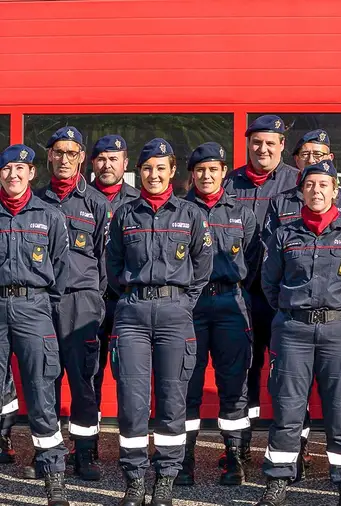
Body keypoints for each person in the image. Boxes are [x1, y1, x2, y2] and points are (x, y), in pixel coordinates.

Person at [257, 160, 341, 506]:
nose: (317, 191)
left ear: (335, 191)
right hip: (293, 329)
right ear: (301, 192)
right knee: (288, 408)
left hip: (339, 331)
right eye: (310, 185)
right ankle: (278, 481)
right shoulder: (284, 234)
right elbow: (269, 282)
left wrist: (340, 314)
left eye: (324, 185)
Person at [106, 138, 213, 506]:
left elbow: (202, 269)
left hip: (174, 315)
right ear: (140, 172)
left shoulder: (191, 215)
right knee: (132, 402)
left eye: (160, 168)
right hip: (133, 314)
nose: (153, 175)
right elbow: (113, 265)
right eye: (147, 168)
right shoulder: (124, 214)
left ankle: (165, 478)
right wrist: (134, 297)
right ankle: (135, 479)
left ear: (172, 173)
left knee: (172, 400)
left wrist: (181, 303)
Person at [177, 143, 259, 487]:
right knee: (186, 385)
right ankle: (184, 460)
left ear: (224, 171)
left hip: (230, 303)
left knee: (234, 386)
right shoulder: (179, 211)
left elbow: (253, 265)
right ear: (191, 174)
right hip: (191, 306)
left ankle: (234, 459)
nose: (206, 175)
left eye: (213, 169)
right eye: (200, 170)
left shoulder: (243, 213)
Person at [34, 127, 111, 482]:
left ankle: (85, 454)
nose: (64, 159)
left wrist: (94, 300)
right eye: (58, 152)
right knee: (44, 379)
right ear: (49, 156)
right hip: (41, 301)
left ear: (81, 157)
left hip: (81, 302)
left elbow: (104, 259)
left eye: (71, 152)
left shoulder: (96, 202)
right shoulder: (36, 201)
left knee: (83, 381)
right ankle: (47, 454)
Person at [223, 115, 299, 459]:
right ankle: (239, 452)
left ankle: (293, 451)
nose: (263, 148)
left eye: (271, 142)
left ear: (282, 145)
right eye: (257, 142)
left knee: (288, 374)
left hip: (284, 296)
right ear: (248, 144)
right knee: (243, 373)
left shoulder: (298, 183)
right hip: (242, 294)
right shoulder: (229, 183)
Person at [0, 144, 71, 505]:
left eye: (19, 169)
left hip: (34, 306)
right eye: (6, 169)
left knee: (42, 395)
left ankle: (53, 477)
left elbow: (60, 271)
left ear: (31, 174)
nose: (13, 175)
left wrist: (47, 313)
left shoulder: (49, 215)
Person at [90, 135, 140, 442]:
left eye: (114, 159)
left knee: (130, 376)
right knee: (89, 374)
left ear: (125, 163)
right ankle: (88, 446)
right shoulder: (79, 199)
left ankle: (130, 444)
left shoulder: (137, 200)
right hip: (89, 301)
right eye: (102, 159)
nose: (107, 165)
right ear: (92, 163)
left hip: (126, 300)